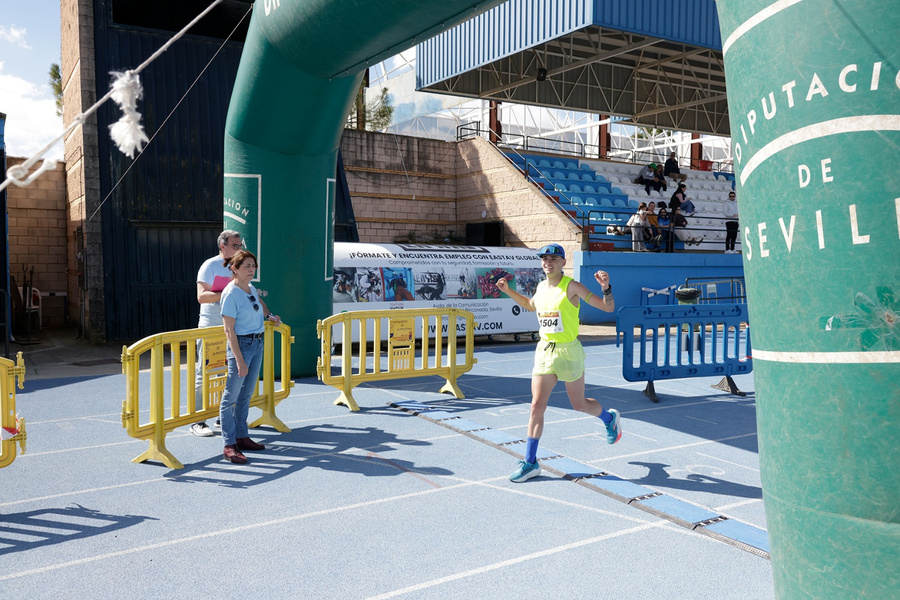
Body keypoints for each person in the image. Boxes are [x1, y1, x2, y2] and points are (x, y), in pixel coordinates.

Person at [495, 243, 622, 483]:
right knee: (536, 406)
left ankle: (609, 418)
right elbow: (530, 305)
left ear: (563, 263)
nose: (548, 262)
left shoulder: (571, 286)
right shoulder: (541, 287)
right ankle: (531, 463)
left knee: (579, 404)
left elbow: (608, 307)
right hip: (545, 350)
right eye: (544, 259)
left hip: (569, 352)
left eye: (553, 258)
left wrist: (606, 288)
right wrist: (508, 290)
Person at [219, 250, 281, 464]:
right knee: (230, 398)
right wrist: (239, 359)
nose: (252, 269)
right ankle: (229, 444)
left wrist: (269, 315)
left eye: (253, 266)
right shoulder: (230, 293)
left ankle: (242, 436)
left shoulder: (251, 288)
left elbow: (259, 303)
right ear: (235, 269)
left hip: (257, 342)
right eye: (247, 266)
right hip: (242, 345)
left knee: (245, 395)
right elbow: (229, 331)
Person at [191, 230, 242, 437]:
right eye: (235, 246)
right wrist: (227, 292)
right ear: (222, 246)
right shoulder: (209, 266)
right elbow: (202, 297)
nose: (239, 249)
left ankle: (223, 416)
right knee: (205, 374)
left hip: (233, 328)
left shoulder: (239, 266)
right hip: (211, 327)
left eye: (240, 245)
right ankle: (197, 421)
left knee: (228, 373)